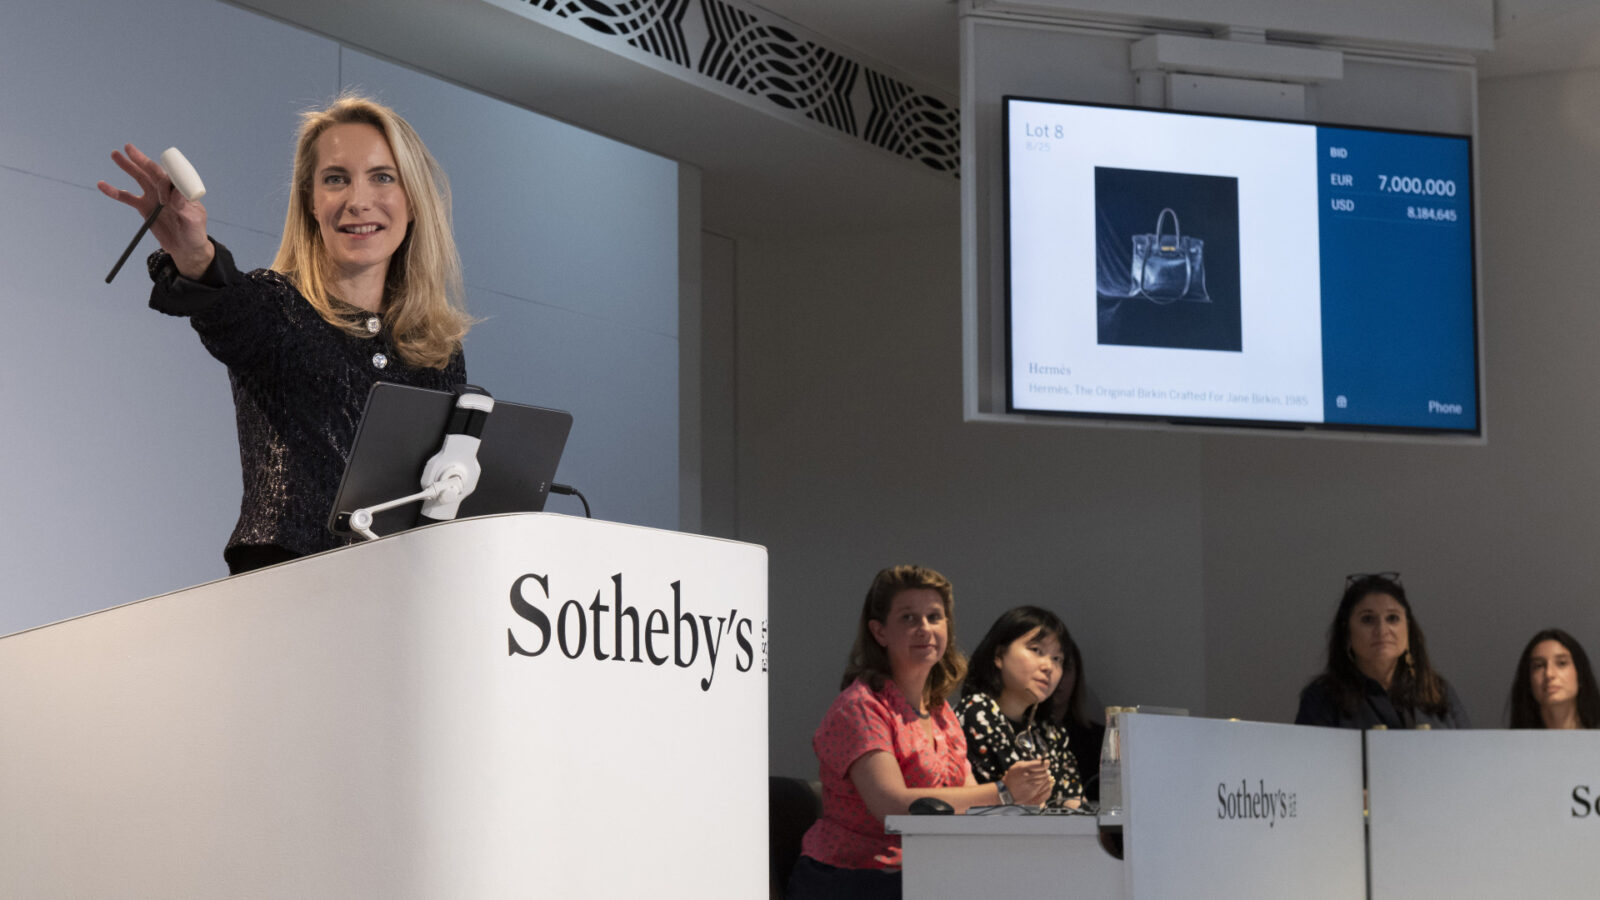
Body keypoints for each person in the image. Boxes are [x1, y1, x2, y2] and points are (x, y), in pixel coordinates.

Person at [98, 95, 471, 574]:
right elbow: (229, 308)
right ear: (310, 201)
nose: (358, 200)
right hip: (285, 589)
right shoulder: (276, 307)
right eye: (335, 179)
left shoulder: (437, 349)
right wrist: (196, 257)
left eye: (382, 177)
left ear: (413, 200)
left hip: (402, 592)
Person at [788, 566, 1052, 900]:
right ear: (880, 632)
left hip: (920, 871)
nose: (925, 628)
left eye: (934, 617)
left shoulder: (942, 712)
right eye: (909, 618)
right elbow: (891, 805)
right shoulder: (860, 707)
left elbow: (970, 800)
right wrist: (1003, 792)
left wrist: (1022, 799)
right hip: (851, 877)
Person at [1295, 572, 1469, 729]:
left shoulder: (1439, 692)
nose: (1382, 630)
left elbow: (1468, 751)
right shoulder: (1322, 698)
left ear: (1408, 628)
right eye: (1368, 619)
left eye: (1392, 618)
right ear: (1347, 633)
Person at [956, 606, 1085, 809]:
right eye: (1036, 650)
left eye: (1057, 659)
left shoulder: (1050, 730)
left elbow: (1074, 800)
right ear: (999, 655)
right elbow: (1002, 804)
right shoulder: (977, 711)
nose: (1048, 667)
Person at [1043, 618, 1105, 804]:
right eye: (1053, 663)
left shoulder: (1098, 740)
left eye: (1066, 667)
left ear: (1077, 676)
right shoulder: (1025, 733)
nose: (1057, 676)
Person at [1508, 628, 1600, 729]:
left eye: (1561, 663)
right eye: (1539, 665)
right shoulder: (1509, 739)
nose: (1549, 674)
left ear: (1580, 674)